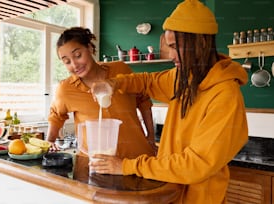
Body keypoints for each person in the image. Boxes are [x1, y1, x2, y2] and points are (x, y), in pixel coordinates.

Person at [89, 0, 248, 203]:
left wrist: (126, 166)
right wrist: (113, 83)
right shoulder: (184, 77)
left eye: (175, 47)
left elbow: (195, 165)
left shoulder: (225, 95)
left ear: (199, 42)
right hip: (169, 193)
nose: (171, 55)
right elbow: (146, 81)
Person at [46, 27, 157, 158]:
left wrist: (150, 136)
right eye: (67, 62)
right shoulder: (66, 89)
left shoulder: (121, 69)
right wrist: (49, 142)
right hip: (96, 164)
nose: (74, 65)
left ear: (90, 48)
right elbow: (56, 117)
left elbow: (143, 100)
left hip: (136, 158)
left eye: (78, 56)